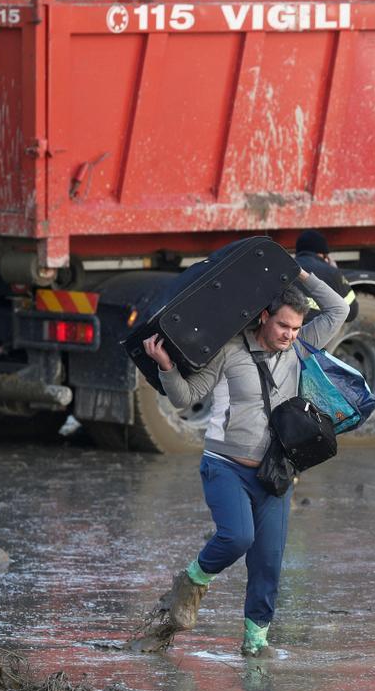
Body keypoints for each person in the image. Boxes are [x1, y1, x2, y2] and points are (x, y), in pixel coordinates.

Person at [134, 265, 349, 658]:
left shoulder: (300, 348)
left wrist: (300, 275)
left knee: (268, 563)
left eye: (297, 329)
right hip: (225, 466)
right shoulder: (230, 351)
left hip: (274, 472)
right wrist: (165, 368)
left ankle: (255, 642)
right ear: (265, 316)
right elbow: (186, 396)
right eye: (284, 325)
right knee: (237, 537)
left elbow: (338, 311)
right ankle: (191, 582)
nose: (290, 335)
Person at [294, 230, 358, 323]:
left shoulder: (285, 268)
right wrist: (337, 273)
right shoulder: (331, 272)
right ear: (324, 254)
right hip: (317, 333)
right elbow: (351, 312)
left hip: (287, 332)